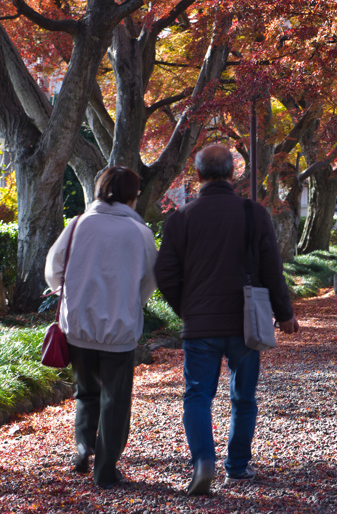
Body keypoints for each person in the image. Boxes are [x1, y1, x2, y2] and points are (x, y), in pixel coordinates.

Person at [155, 145, 300, 496]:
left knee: (197, 395)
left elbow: (165, 273)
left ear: (199, 175)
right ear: (232, 174)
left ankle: (203, 461)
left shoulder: (181, 218)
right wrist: (284, 314)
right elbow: (271, 268)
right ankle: (236, 465)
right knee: (243, 396)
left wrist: (185, 308)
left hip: (200, 324)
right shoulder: (253, 213)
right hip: (245, 320)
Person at [44, 166, 158, 489]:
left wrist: (71, 294)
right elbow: (151, 280)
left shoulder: (78, 225)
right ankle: (105, 470)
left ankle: (84, 447)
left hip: (78, 324)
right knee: (116, 398)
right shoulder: (140, 233)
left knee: (86, 391)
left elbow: (53, 270)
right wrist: (132, 301)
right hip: (119, 328)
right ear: (132, 196)